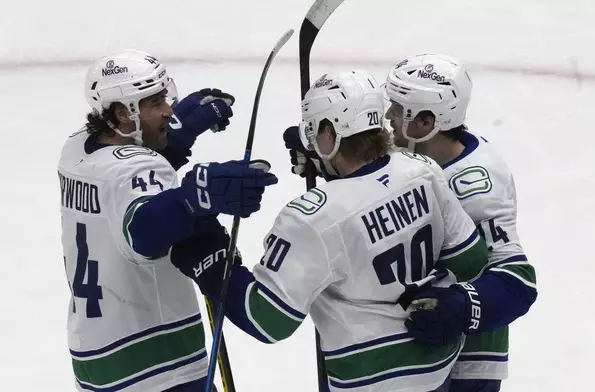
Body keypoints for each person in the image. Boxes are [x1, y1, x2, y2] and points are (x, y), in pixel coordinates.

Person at [170, 70, 490, 392]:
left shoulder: (312, 218)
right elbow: (470, 259)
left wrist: (212, 262)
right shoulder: (422, 169)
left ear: (329, 132)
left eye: (313, 130)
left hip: (369, 379)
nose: (308, 138)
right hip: (437, 367)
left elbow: (267, 319)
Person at [58, 49, 278, 392]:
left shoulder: (77, 151)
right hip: (156, 364)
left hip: (95, 358)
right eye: (155, 103)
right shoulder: (141, 169)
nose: (169, 110)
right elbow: (142, 230)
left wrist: (175, 138)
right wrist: (194, 199)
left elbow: (124, 183)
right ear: (122, 113)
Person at [383, 53, 538, 392]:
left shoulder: (476, 187)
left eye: (398, 109)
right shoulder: (418, 150)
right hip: (416, 353)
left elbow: (517, 282)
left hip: (467, 364)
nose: (388, 117)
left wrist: (460, 306)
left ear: (426, 122)